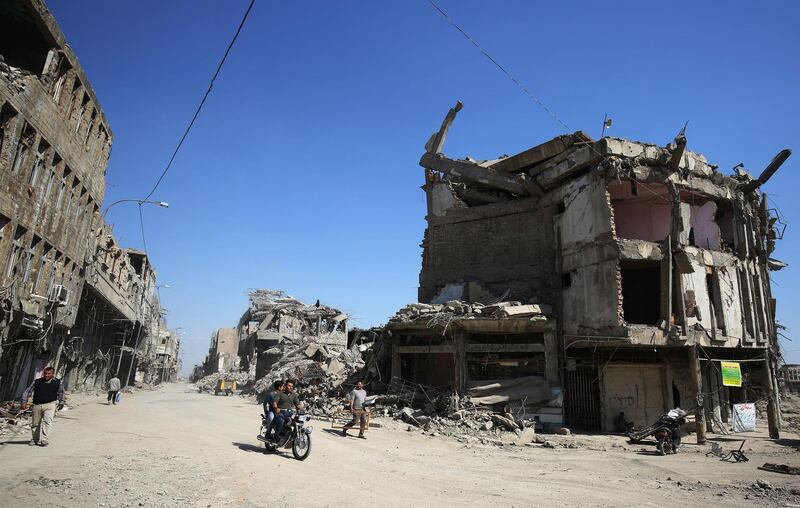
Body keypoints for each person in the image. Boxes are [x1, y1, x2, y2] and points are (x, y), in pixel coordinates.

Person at [20, 367, 65, 447]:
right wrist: (24, 402)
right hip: (37, 405)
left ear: (52, 374)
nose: (46, 375)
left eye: (49, 374)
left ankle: (44, 439)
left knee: (47, 421)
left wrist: (61, 402)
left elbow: (61, 393)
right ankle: (35, 439)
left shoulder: (58, 382)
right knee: (35, 423)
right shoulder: (37, 381)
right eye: (45, 373)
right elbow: (27, 391)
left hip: (50, 404)